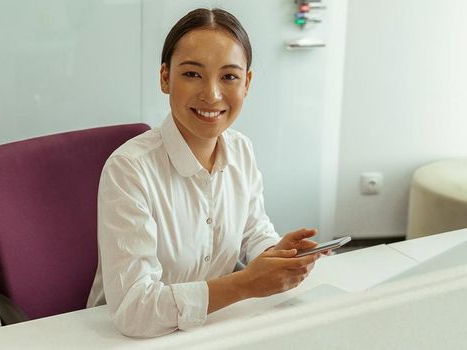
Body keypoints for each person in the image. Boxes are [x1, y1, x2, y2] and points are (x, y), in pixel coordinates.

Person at [86, 8, 328, 338]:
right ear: (165, 78)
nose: (212, 94)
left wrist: (276, 255)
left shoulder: (241, 150)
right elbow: (135, 310)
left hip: (214, 329)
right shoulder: (129, 169)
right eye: (192, 74)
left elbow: (252, 230)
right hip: (125, 339)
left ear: (247, 83)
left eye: (229, 76)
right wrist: (246, 284)